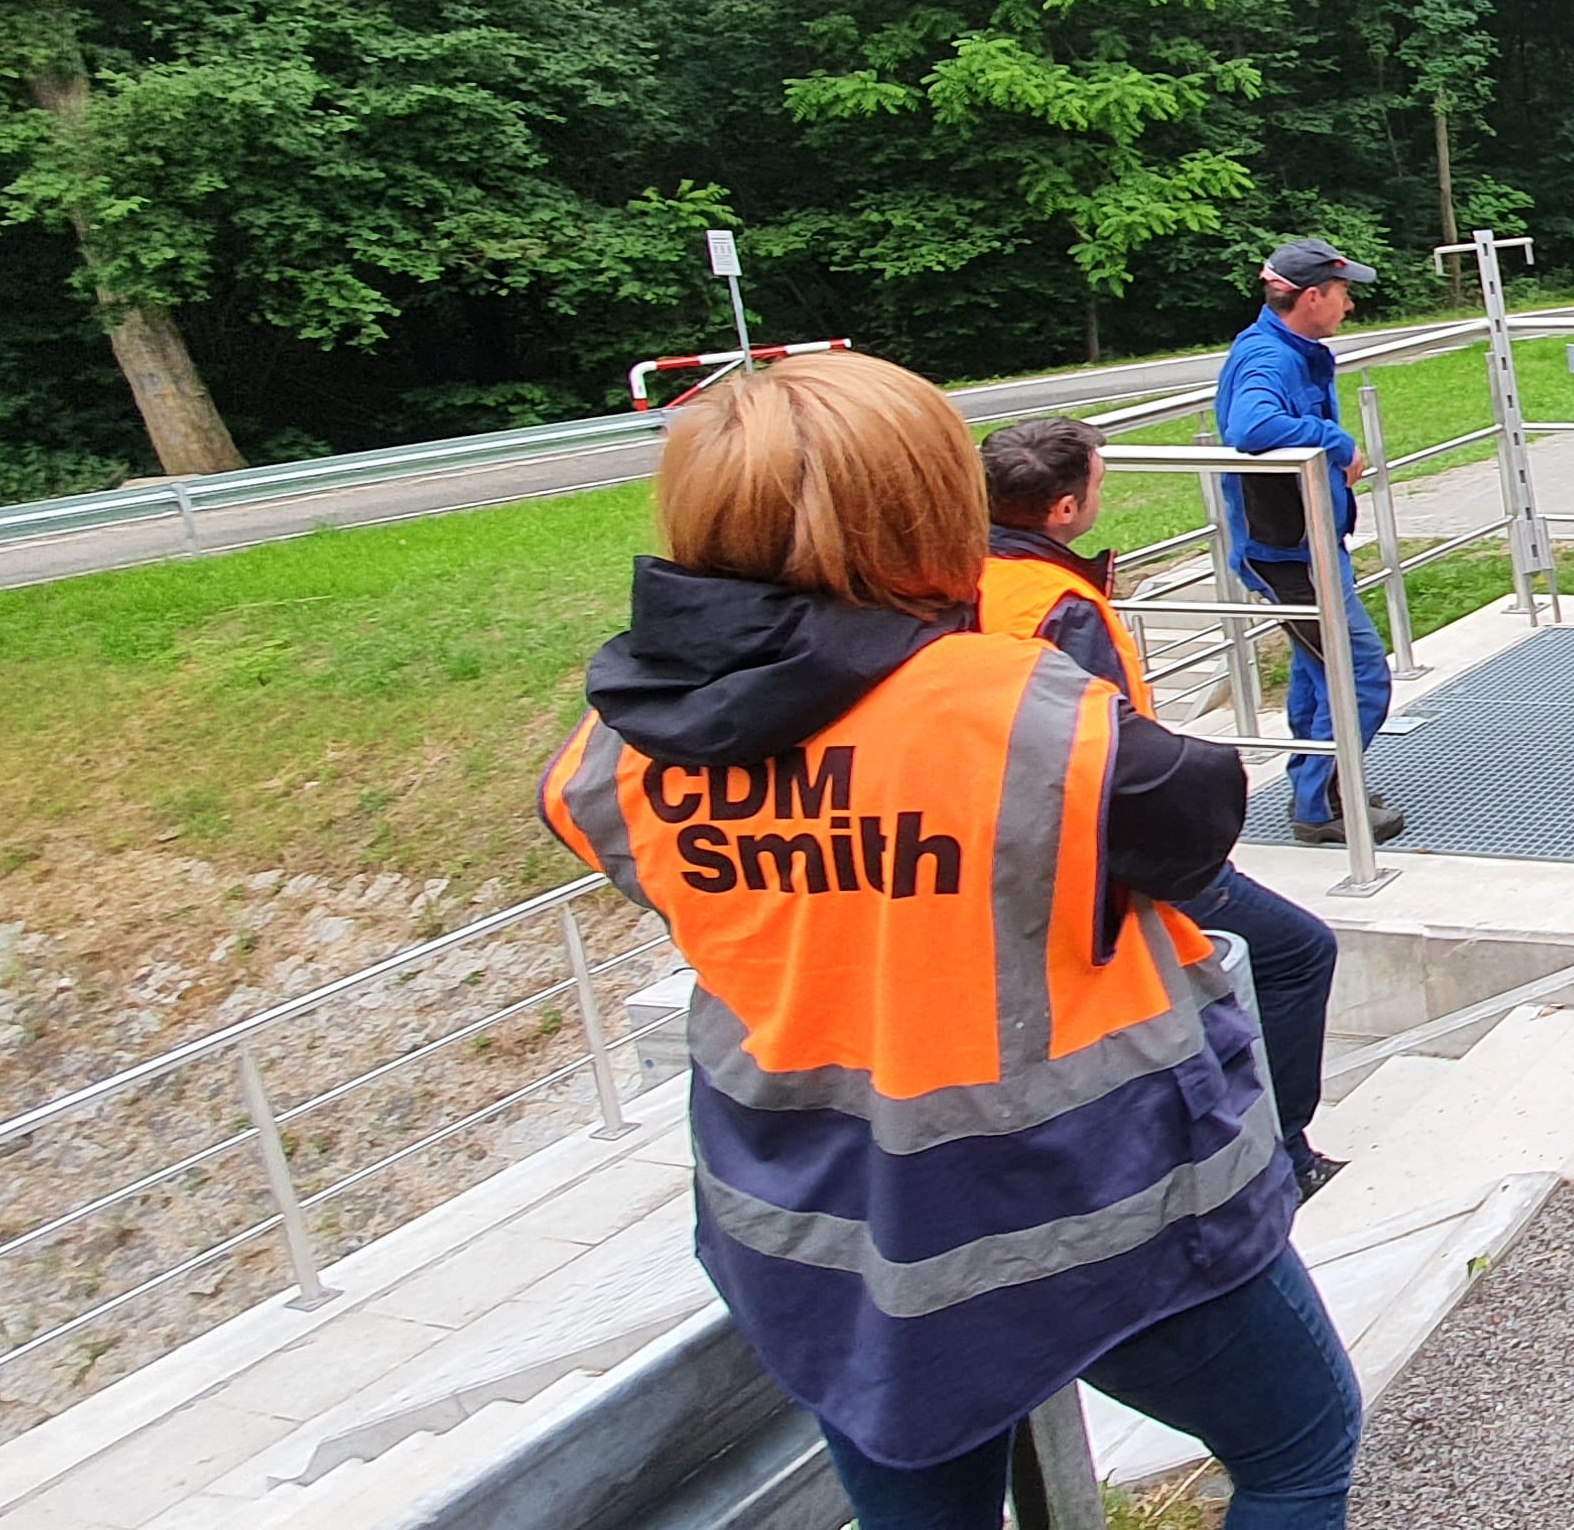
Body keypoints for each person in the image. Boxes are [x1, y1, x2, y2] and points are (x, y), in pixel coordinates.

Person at [537, 354, 1354, 1530]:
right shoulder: (1016, 711)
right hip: (1089, 1203)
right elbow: (1185, 826)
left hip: (815, 1225)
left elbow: (643, 855)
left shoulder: (616, 747)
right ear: (924, 510)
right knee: (1299, 1449)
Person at [979, 414, 1351, 1199]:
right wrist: (1188, 827)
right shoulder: (1060, 607)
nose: (1101, 492)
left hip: (994, 843)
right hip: (1097, 852)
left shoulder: (963, 580)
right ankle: (1279, 1154)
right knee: (1295, 953)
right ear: (1064, 510)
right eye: (1097, 482)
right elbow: (1102, 753)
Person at [1213, 240, 1397, 845]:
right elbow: (1251, 427)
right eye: (1343, 294)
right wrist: (1335, 441)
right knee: (1358, 674)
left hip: (1304, 545)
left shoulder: (1291, 350)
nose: (1350, 305)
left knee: (1315, 674)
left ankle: (1321, 782)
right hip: (1290, 555)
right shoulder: (1269, 357)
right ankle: (1320, 805)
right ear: (1312, 296)